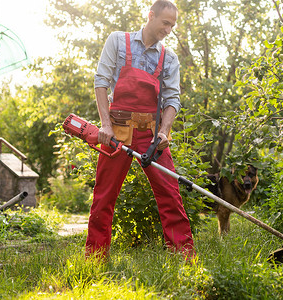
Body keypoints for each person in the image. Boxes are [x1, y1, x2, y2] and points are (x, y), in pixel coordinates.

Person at [86, 0, 195, 260]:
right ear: (150, 16)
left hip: (151, 134)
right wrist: (105, 125)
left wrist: (164, 132)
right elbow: (101, 82)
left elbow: (172, 99)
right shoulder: (117, 41)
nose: (168, 29)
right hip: (118, 130)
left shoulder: (169, 57)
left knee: (170, 194)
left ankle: (185, 258)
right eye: (165, 23)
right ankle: (95, 258)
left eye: (172, 25)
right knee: (103, 197)